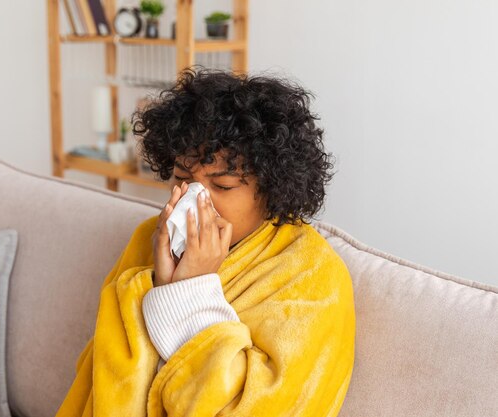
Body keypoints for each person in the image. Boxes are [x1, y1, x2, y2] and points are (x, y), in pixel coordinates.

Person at [55, 66, 356, 417]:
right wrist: (155, 283)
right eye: (182, 178)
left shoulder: (312, 274)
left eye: (223, 186)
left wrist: (190, 290)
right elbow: (105, 371)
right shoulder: (149, 239)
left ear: (272, 189)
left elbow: (263, 406)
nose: (196, 198)